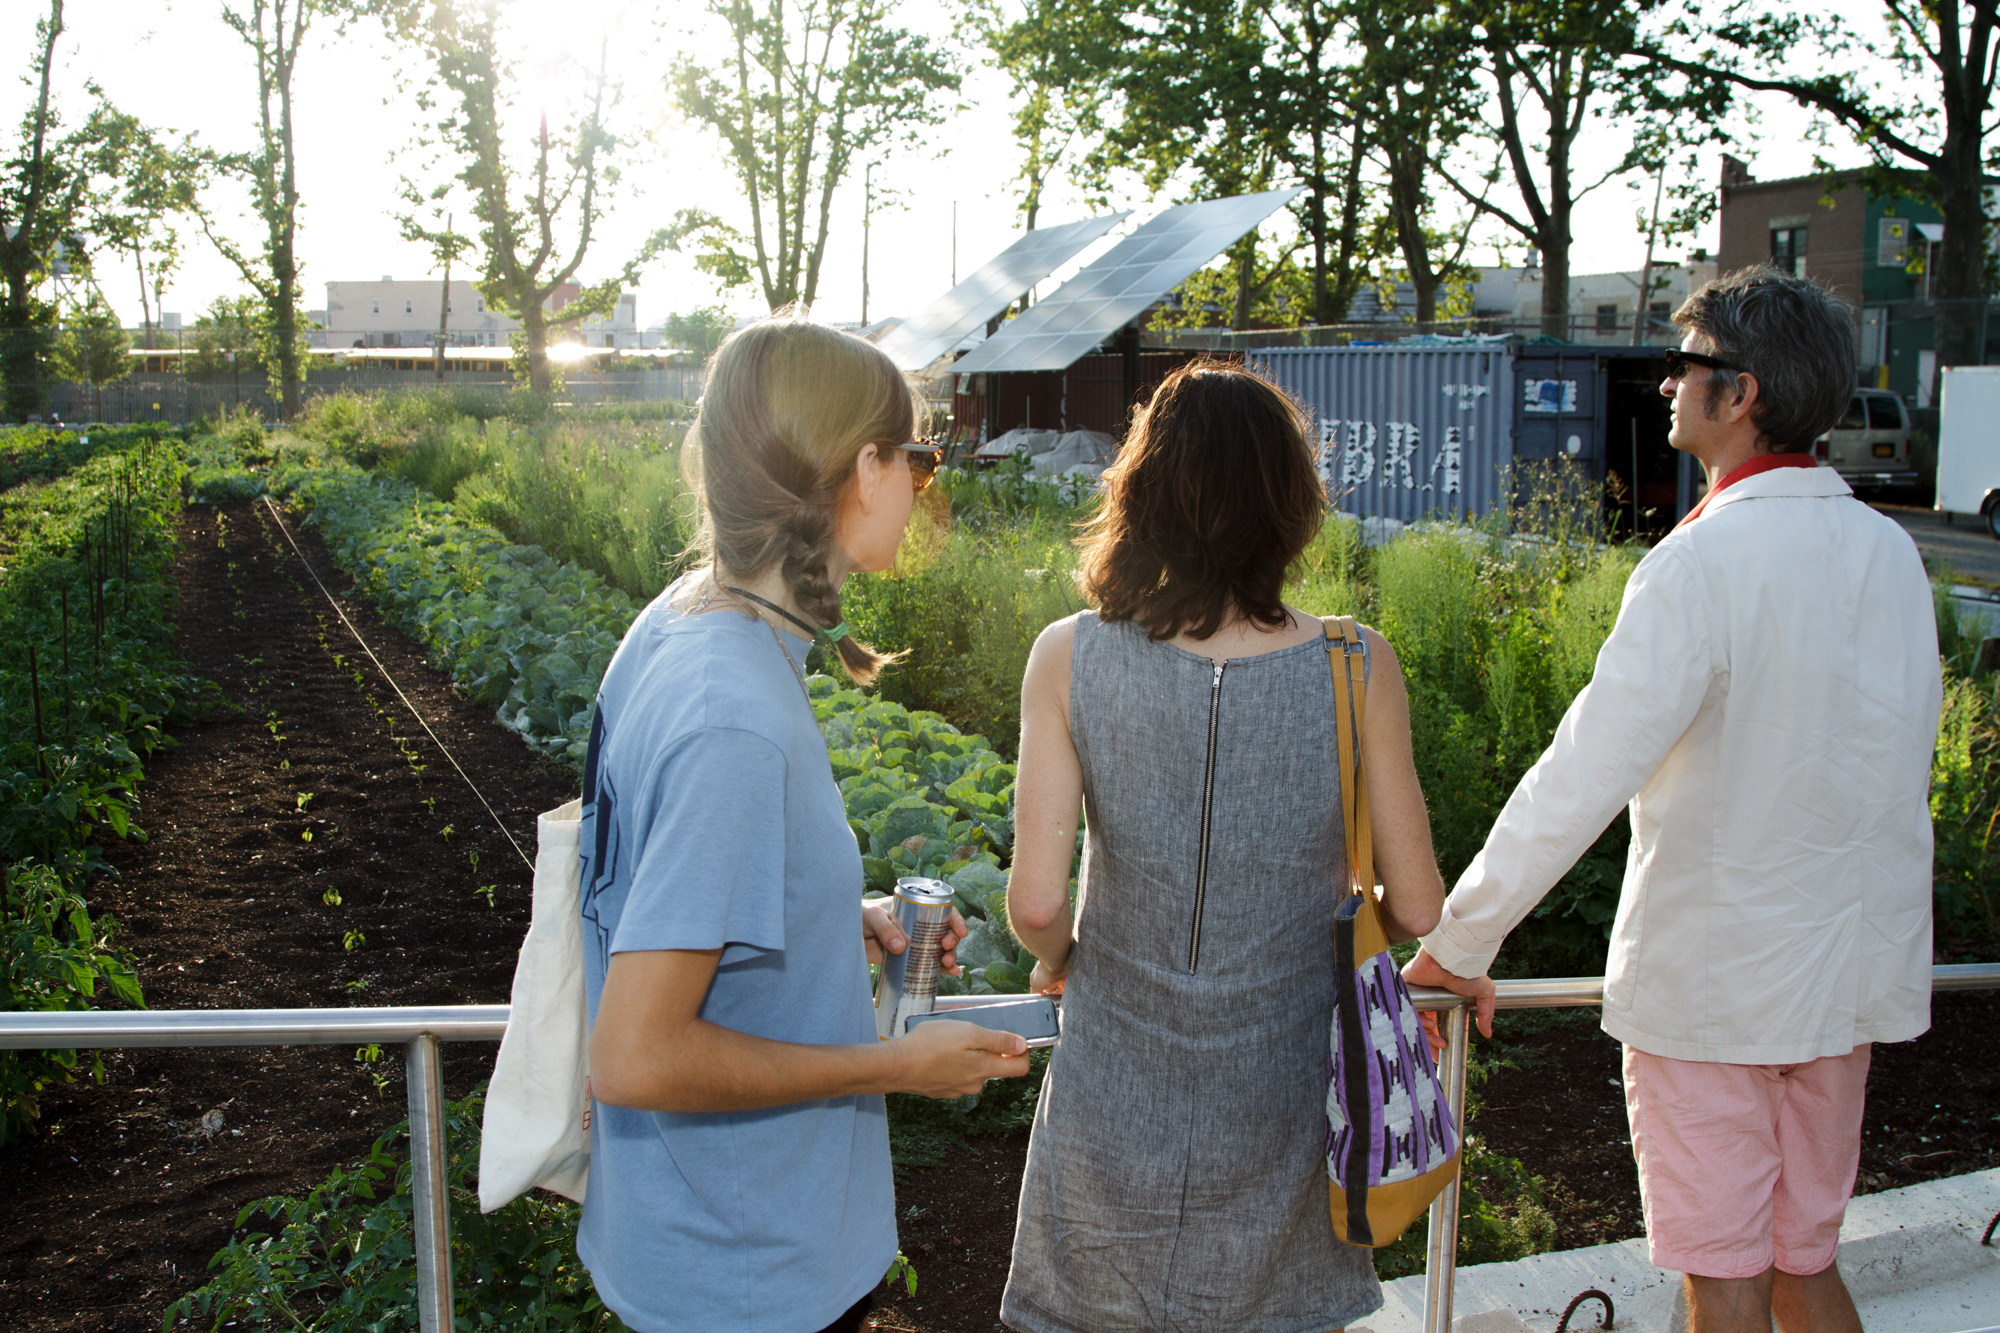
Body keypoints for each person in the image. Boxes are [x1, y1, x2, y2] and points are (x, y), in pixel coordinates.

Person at [1403, 266, 1943, 1333]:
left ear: (1736, 393)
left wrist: (1457, 941)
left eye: (1681, 367)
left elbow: (1580, 774)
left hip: (1714, 988)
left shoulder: (1699, 563)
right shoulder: (1890, 554)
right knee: (1804, 1262)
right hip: (1843, 981)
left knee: (1724, 1273)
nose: (1662, 388)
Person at [577, 315, 1032, 1333]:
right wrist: (894, 1066)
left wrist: (828, 912)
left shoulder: (682, 621)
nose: (922, 485)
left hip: (696, 1239)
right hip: (748, 1276)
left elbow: (664, 886)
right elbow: (636, 1056)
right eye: (915, 456)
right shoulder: (732, 714)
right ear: (859, 468)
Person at [1001, 362, 1449, 1333]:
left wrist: (1060, 963)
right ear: (1287, 503)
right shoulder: (1354, 662)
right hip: (1281, 1095)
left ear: (1140, 495)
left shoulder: (1069, 653)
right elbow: (1415, 907)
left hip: (1112, 1085)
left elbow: (1036, 904)